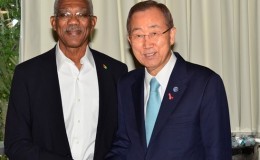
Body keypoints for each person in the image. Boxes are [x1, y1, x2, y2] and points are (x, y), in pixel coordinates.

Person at [106, 1, 231, 159]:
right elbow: (123, 145)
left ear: (171, 35)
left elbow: (217, 152)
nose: (147, 43)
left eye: (154, 33)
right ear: (130, 41)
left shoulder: (205, 84)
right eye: (138, 35)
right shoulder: (126, 84)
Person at [4, 0, 128, 159]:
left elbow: (124, 138)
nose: (74, 21)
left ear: (92, 22)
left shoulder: (116, 72)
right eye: (65, 14)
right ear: (54, 22)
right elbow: (16, 143)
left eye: (82, 14)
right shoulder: (27, 75)